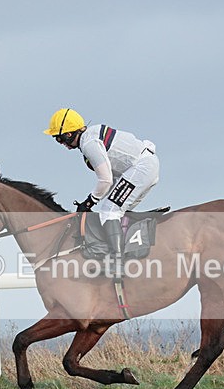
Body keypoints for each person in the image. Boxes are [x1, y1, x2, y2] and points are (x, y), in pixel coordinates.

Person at [44, 108, 159, 278]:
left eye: (59, 138)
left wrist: (89, 202)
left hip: (141, 168)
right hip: (143, 167)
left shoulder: (89, 144)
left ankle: (117, 263)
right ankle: (126, 252)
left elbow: (105, 180)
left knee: (109, 211)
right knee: (116, 212)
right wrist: (92, 200)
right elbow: (110, 181)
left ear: (69, 134)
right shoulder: (90, 136)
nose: (60, 143)